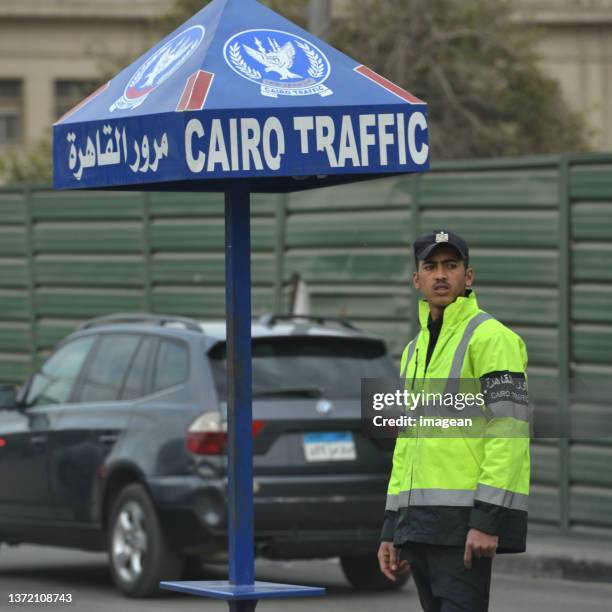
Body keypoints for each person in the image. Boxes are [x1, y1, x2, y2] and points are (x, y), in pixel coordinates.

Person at [377, 229, 530, 612]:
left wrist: (487, 520)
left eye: (451, 265)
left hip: (465, 528)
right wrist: (392, 528)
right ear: (417, 279)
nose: (440, 275)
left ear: (468, 276)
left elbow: (509, 432)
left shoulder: (493, 339)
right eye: (431, 266)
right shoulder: (413, 350)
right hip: (422, 528)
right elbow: (407, 443)